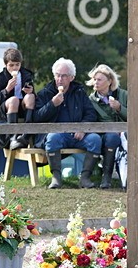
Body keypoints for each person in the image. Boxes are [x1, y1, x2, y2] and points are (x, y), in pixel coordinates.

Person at [32, 57, 100, 189]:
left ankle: (85, 178)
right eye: (57, 75)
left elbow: (90, 113)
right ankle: (56, 178)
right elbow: (36, 118)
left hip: (78, 134)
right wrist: (52, 104)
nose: (60, 79)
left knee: (95, 139)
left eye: (64, 76)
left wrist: (83, 128)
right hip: (57, 135)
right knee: (52, 138)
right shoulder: (45, 93)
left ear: (71, 77)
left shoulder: (79, 92)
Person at [87, 64, 127, 190]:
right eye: (94, 79)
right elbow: (92, 120)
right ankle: (107, 177)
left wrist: (119, 108)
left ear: (109, 81)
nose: (95, 82)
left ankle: (127, 178)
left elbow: (136, 117)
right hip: (104, 134)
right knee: (111, 138)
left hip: (127, 132)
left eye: (99, 79)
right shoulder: (91, 100)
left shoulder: (124, 95)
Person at [0, 47, 36, 150]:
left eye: (17, 65)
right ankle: (12, 136)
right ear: (6, 64)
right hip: (7, 108)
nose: (15, 68)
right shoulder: (0, 78)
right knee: (14, 100)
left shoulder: (26, 75)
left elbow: (33, 96)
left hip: (23, 107)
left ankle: (26, 134)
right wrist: (7, 89)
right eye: (11, 65)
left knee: (30, 97)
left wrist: (30, 91)